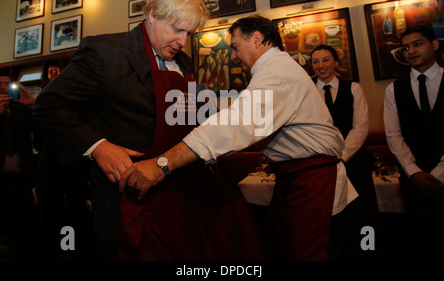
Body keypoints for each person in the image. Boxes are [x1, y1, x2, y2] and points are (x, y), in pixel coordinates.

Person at [32, 0, 262, 260]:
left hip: (174, 192)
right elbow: (48, 104)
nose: (183, 41)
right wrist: (98, 147)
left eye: (189, 33)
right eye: (178, 30)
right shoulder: (105, 52)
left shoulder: (183, 61)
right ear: (153, 15)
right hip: (128, 199)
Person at [119, 14, 358, 261]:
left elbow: (234, 124)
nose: (233, 55)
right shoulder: (274, 69)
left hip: (312, 179)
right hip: (292, 178)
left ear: (256, 39)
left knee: (304, 254)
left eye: (235, 47)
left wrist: (162, 164)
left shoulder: (277, 73)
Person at [311, 44, 381, 260]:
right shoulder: (307, 91)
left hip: (353, 162)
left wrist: (342, 156)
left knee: (362, 215)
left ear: (336, 63)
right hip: (321, 164)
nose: (320, 66)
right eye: (315, 61)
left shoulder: (354, 88)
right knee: (328, 217)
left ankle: (367, 253)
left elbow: (360, 127)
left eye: (325, 60)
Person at [383, 25, 444, 260]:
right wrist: (413, 171)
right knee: (422, 239)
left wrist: (439, 173)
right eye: (405, 47)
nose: (411, 51)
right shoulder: (394, 89)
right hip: (414, 180)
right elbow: (393, 134)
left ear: (435, 45)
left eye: (417, 44)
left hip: (440, 174)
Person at [0, 70, 40, 260]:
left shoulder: (20, 108)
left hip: (22, 178)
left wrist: (32, 106)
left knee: (23, 229)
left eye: (7, 84)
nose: (3, 88)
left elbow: (39, 133)